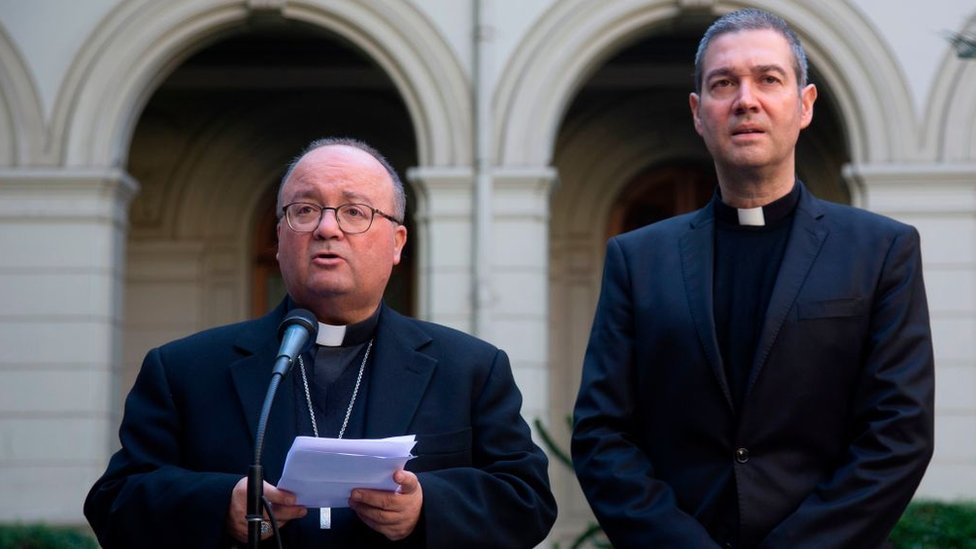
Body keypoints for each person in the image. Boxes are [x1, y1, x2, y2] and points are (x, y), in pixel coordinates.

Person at [572, 8, 934, 549]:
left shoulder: (881, 250)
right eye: (724, 83)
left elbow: (898, 434)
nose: (746, 99)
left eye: (768, 79)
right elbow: (603, 436)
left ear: (804, 104)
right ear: (699, 113)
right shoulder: (637, 258)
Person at [85, 138, 557, 547]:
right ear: (278, 238)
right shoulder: (185, 369)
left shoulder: (469, 368)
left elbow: (528, 500)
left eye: (354, 211)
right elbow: (114, 503)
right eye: (305, 210)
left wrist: (427, 509)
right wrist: (220, 510)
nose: (326, 228)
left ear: (396, 243)